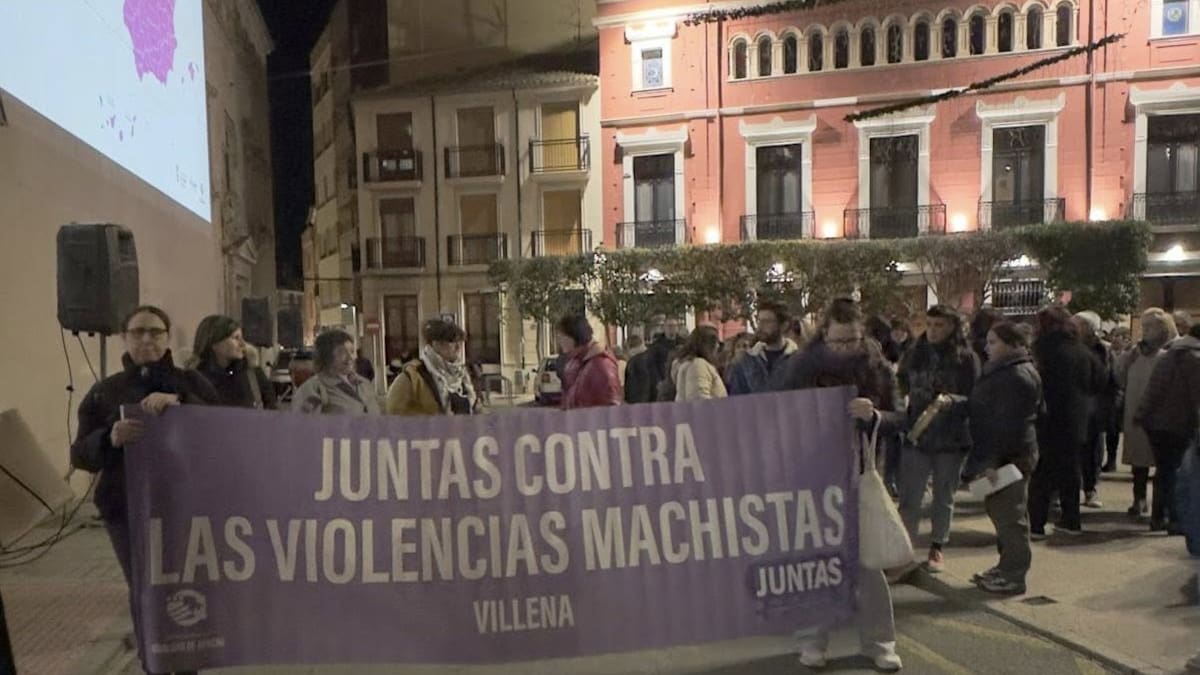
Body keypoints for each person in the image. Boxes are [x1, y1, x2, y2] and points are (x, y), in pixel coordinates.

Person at [70, 306, 219, 675]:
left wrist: (183, 408)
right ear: (125, 338)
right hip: (126, 508)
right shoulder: (104, 392)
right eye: (138, 332)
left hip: (186, 506)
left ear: (168, 337)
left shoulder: (192, 383)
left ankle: (186, 663)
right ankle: (153, 662)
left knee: (185, 587)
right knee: (144, 590)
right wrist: (109, 438)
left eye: (155, 331)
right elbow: (81, 454)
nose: (147, 339)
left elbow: (223, 432)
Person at [774, 297, 903, 673]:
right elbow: (774, 417)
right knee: (814, 566)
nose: (846, 349)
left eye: (853, 341)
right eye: (839, 341)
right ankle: (812, 641)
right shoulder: (798, 369)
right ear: (823, 336)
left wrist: (876, 415)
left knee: (869, 566)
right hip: (811, 476)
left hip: (860, 477)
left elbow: (900, 418)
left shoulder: (877, 370)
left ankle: (880, 642)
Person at [896, 305, 980, 573]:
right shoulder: (914, 353)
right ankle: (904, 548)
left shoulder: (965, 358)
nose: (932, 331)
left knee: (944, 494)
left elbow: (976, 398)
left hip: (951, 436)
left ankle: (937, 546)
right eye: (929, 324)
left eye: (939, 325)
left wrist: (953, 402)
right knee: (911, 496)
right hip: (917, 433)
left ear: (952, 327)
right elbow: (900, 385)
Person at [961, 322, 1043, 595]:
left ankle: (1014, 574)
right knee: (1004, 515)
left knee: (1011, 519)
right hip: (1006, 454)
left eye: (993, 342)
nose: (987, 346)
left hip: (1009, 458)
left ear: (1011, 344)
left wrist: (992, 463)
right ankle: (1006, 565)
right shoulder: (1006, 371)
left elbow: (1008, 426)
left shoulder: (1016, 376)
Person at [1029, 306, 1105, 538]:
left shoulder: (1043, 350)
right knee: (1071, 470)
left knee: (1042, 473)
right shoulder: (1082, 351)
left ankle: (1037, 524)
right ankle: (1071, 520)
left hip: (1048, 417)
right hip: (1076, 418)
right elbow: (1100, 381)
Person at [1136, 322, 1200, 534]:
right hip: (1179, 424)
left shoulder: (1169, 355)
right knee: (1176, 473)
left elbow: (1154, 389)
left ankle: (1158, 517)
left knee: (1164, 471)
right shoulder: (1195, 360)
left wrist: (1142, 414)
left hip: (1156, 424)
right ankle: (1174, 518)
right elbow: (1195, 399)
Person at [1116, 309, 1176, 518]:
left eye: (1150, 326)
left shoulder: (1169, 354)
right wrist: (1127, 356)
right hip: (1135, 410)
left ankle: (1162, 507)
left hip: (1160, 414)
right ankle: (1138, 498)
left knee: (1163, 462)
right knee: (1138, 461)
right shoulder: (1135, 354)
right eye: (1144, 326)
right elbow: (1119, 376)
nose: (1146, 331)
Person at [386, 319, 478, 416]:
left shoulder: (462, 374)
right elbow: (394, 413)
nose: (458, 347)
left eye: (460, 342)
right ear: (436, 344)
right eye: (452, 342)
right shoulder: (412, 377)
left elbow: (475, 408)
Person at [189, 315, 277, 409]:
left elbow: (272, 415)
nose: (242, 344)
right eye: (236, 338)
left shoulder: (253, 375)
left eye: (242, 338)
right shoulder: (195, 381)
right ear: (214, 342)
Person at [1074, 311, 1115, 509]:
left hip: (1094, 405)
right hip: (1075, 404)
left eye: (1078, 324)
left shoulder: (1102, 350)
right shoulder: (1071, 346)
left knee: (1092, 450)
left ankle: (1090, 488)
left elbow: (1106, 378)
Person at [293, 329, 380, 416]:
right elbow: (304, 425)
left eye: (352, 351)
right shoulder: (314, 388)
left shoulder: (364, 383)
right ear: (326, 356)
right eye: (341, 352)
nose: (350, 357)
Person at [727, 301, 799, 395]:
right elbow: (736, 400)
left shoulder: (798, 361)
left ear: (783, 326)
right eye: (759, 321)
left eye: (767, 322)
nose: (760, 326)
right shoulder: (745, 362)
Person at [557, 314, 622, 409]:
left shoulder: (601, 365)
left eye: (561, 336)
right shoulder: (576, 362)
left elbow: (611, 406)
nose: (559, 341)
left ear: (572, 337)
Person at [624, 316, 684, 403]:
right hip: (663, 382)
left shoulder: (684, 343)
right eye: (669, 326)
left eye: (674, 326)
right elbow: (651, 365)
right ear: (664, 328)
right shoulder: (656, 346)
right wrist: (658, 381)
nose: (672, 329)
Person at [670, 325, 727, 401]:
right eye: (715, 342)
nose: (717, 346)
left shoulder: (695, 364)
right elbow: (699, 399)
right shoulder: (698, 366)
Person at [1105, 325, 1133, 472]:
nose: (1114, 339)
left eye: (1118, 337)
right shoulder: (1108, 353)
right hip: (1110, 395)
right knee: (1111, 430)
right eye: (1113, 336)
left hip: (1122, 394)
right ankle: (1110, 460)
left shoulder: (1129, 355)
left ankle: (1114, 459)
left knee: (1117, 429)